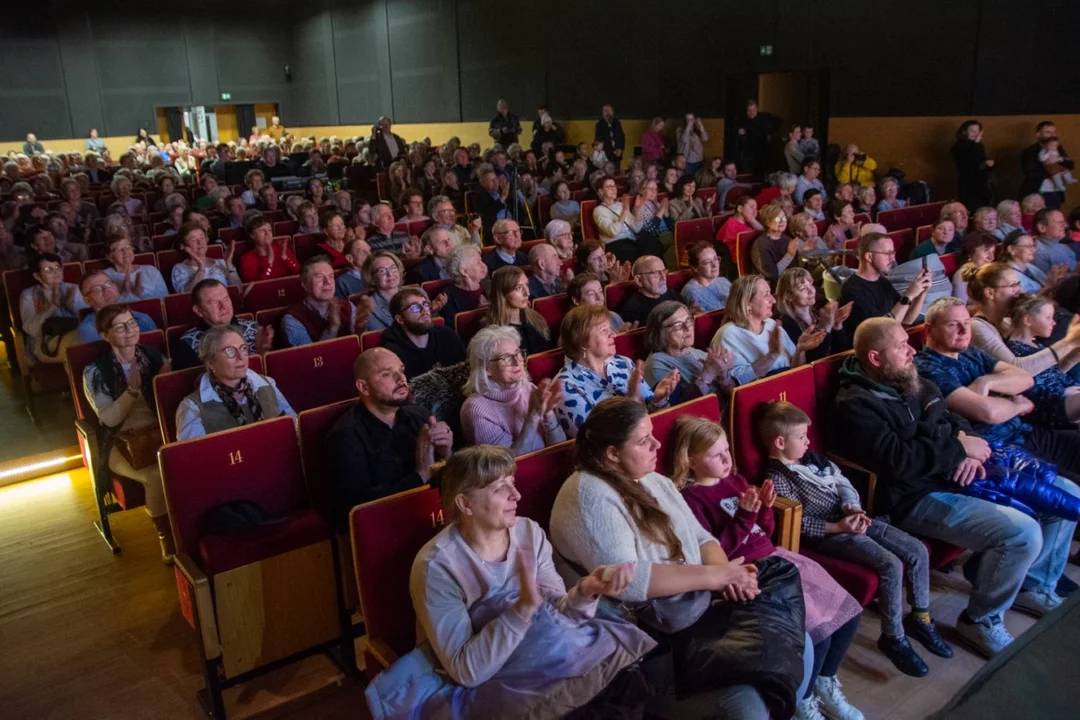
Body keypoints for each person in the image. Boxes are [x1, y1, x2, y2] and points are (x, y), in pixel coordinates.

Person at [835, 317, 1077, 656]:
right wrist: (957, 451)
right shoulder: (855, 404)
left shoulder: (908, 375)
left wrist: (966, 442)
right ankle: (980, 620)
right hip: (914, 496)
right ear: (875, 358)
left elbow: (953, 418)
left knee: (1068, 494)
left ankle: (1034, 584)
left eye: (909, 342)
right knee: (1022, 533)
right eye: (901, 346)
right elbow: (898, 461)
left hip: (959, 472)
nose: (911, 350)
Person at [550, 397, 799, 720]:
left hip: (691, 612)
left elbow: (700, 537)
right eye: (643, 441)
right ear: (612, 454)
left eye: (652, 434)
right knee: (747, 707)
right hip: (643, 643)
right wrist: (717, 578)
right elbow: (630, 580)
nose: (657, 444)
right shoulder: (588, 494)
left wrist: (727, 574)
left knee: (793, 644)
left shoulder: (654, 481)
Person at [399, 445, 654, 718]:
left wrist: (585, 591)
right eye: (500, 489)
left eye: (513, 483)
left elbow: (560, 612)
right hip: (498, 680)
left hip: (547, 655)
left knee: (625, 683)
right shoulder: (437, 567)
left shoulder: (527, 531)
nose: (517, 495)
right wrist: (521, 610)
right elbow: (466, 670)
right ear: (465, 504)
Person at [673, 416, 868, 718]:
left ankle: (825, 682)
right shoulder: (691, 499)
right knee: (819, 633)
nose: (727, 459)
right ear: (692, 460)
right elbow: (718, 554)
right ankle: (803, 698)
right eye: (716, 455)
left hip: (778, 557)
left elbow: (764, 530)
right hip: (751, 570)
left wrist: (764, 508)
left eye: (727, 450)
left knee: (848, 613)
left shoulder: (735, 482)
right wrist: (744, 517)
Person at [757, 404, 952, 678]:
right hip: (828, 534)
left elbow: (841, 480)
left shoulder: (810, 458)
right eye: (801, 437)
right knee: (891, 564)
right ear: (780, 442)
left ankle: (920, 617)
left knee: (917, 550)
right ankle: (893, 636)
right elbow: (794, 523)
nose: (808, 441)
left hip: (850, 517)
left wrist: (852, 506)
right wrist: (837, 526)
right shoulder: (777, 478)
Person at [915, 296, 1080, 483]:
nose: (963, 331)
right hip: (999, 449)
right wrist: (1016, 405)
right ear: (929, 330)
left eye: (966, 323)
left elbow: (1025, 378)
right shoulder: (928, 368)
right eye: (953, 325)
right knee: (1073, 490)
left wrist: (986, 382)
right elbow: (987, 412)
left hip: (1024, 432)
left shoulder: (970, 352)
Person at [82, 304, 172, 561]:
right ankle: (166, 536)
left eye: (131, 323)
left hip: (160, 431)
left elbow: (171, 400)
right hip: (121, 441)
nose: (129, 330)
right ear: (104, 335)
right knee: (156, 475)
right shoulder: (96, 371)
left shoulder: (153, 356)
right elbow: (109, 419)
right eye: (119, 327)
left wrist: (163, 382)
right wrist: (132, 391)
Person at [325, 348, 451, 527]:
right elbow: (357, 508)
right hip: (387, 526)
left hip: (435, 515)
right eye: (387, 374)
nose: (401, 379)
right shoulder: (346, 436)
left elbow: (451, 481)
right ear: (364, 387)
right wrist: (421, 475)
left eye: (401, 370)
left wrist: (447, 453)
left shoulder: (420, 415)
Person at [553, 305, 679, 437]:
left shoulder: (622, 363)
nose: (613, 334)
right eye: (604, 330)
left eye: (610, 328)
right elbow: (596, 443)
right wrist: (632, 400)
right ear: (582, 342)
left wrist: (659, 400)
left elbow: (653, 417)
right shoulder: (565, 388)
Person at [458, 326, 568, 455]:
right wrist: (533, 414)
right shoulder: (476, 409)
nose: (517, 361)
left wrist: (548, 413)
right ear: (486, 368)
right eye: (506, 358)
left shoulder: (528, 388)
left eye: (517, 353)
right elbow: (510, 466)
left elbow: (559, 449)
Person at [175, 325, 295, 440]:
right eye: (230, 351)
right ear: (211, 362)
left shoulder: (267, 383)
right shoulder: (192, 408)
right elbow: (195, 458)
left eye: (243, 348)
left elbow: (294, 428)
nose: (241, 356)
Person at [962, 262, 1080, 376]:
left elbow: (1045, 375)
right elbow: (1017, 369)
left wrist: (1075, 351)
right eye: (1013, 285)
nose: (1020, 291)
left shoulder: (1008, 323)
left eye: (1019, 284)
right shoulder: (977, 327)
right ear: (990, 293)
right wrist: (1068, 343)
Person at [709, 275, 825, 385]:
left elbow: (795, 369)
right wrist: (771, 355)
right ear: (747, 304)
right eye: (766, 295)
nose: (773, 300)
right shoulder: (728, 335)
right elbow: (738, 384)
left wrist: (800, 350)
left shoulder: (771, 324)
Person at [173, 279, 272, 371]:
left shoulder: (254, 328)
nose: (224, 306)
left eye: (226, 299)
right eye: (214, 302)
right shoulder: (187, 344)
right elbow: (201, 383)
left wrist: (264, 355)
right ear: (198, 311)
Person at [841, 232, 932, 331]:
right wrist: (908, 296)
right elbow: (883, 330)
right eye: (887, 253)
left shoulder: (884, 282)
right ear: (869, 257)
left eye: (893, 253)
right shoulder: (852, 289)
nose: (893, 258)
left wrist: (922, 291)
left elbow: (907, 320)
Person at [643, 301, 736, 398]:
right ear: (660, 333)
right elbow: (683, 406)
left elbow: (731, 393)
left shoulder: (694, 351)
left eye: (688, 321)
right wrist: (708, 373)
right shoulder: (656, 364)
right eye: (678, 325)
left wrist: (723, 374)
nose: (687, 328)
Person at [380, 288, 466, 379]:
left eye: (425, 305)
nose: (424, 310)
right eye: (415, 308)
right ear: (400, 319)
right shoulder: (393, 355)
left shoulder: (448, 336)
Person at [282, 256, 367, 346]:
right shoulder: (293, 319)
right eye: (319, 277)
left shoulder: (348, 306)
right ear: (305, 284)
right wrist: (332, 328)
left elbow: (361, 347)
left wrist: (361, 328)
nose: (327, 282)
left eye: (331, 276)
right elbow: (309, 357)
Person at [20, 252, 86, 365]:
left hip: (74, 332)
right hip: (45, 341)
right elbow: (32, 330)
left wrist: (71, 306)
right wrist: (53, 307)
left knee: (87, 336)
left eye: (57, 267)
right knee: (83, 340)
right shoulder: (29, 295)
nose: (56, 272)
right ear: (37, 276)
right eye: (48, 269)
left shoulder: (73, 288)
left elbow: (87, 319)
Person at [776, 267, 852, 362]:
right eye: (803, 289)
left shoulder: (819, 311)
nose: (811, 291)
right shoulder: (787, 325)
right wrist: (826, 328)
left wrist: (837, 326)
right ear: (789, 296)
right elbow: (811, 362)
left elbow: (841, 350)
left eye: (811, 284)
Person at [484, 266, 554, 356]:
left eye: (527, 285)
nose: (527, 293)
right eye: (518, 288)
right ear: (502, 294)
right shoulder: (492, 332)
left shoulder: (537, 319)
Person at [77, 271, 156, 343]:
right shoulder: (89, 329)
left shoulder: (143, 318)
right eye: (97, 289)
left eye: (108, 284)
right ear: (87, 300)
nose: (106, 290)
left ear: (116, 287)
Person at [171, 223, 241, 293]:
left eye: (202, 238)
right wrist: (201, 268)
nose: (200, 243)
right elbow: (186, 295)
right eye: (193, 240)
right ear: (183, 245)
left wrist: (228, 263)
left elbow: (239, 291)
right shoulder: (180, 269)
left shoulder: (221, 262)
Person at [620, 255, 681, 326]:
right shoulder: (632, 310)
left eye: (664, 271)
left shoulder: (672, 294)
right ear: (639, 280)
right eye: (656, 273)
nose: (663, 277)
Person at [102, 235, 167, 301]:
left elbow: (163, 302)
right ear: (109, 257)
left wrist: (139, 294)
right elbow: (99, 307)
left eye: (128, 246)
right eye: (119, 249)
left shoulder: (151, 271)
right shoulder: (103, 277)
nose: (125, 252)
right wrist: (123, 294)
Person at [1020, 120, 1072, 200]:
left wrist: (1060, 160)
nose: (1052, 135)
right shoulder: (1030, 151)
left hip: (1055, 192)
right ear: (1038, 134)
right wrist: (1052, 168)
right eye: (1048, 132)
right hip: (1038, 193)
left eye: (1054, 132)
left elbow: (1070, 165)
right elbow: (1030, 173)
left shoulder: (1058, 149)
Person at [238, 216, 299, 282]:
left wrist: (285, 258)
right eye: (262, 230)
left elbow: (299, 273)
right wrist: (269, 263)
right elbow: (256, 287)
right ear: (252, 235)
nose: (267, 233)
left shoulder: (282, 250)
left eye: (269, 230)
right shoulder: (247, 259)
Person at [592, 175, 638, 262]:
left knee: (652, 242)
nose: (613, 189)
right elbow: (613, 232)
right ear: (601, 191)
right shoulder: (598, 210)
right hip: (614, 243)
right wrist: (624, 211)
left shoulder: (620, 204)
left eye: (614, 186)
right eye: (609, 186)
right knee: (635, 251)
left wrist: (638, 209)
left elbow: (636, 228)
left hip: (630, 239)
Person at [750, 205, 799, 285]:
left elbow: (795, 266)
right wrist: (789, 255)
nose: (782, 221)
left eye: (783, 218)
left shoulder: (786, 239)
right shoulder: (761, 244)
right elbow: (772, 274)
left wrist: (804, 252)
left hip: (793, 280)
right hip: (776, 286)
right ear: (767, 222)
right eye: (777, 219)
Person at [952, 120, 995, 211]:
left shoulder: (979, 146)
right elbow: (966, 163)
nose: (975, 134)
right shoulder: (959, 145)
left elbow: (980, 162)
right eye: (972, 131)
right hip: (968, 184)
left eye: (977, 131)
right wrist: (975, 144)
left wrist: (988, 165)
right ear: (965, 131)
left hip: (982, 183)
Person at [681, 242, 731, 312]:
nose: (714, 265)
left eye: (715, 259)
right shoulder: (691, 292)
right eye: (707, 262)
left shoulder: (723, 281)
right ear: (695, 267)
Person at [951, 232, 999, 303]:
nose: (991, 257)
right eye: (986, 251)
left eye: (993, 252)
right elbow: (961, 308)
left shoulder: (990, 271)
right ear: (970, 253)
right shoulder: (961, 276)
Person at [734, 100, 779, 175]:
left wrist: (771, 132)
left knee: (762, 173)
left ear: (757, 109)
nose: (751, 113)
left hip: (762, 151)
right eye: (749, 110)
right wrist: (739, 132)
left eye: (753, 110)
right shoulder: (742, 119)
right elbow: (735, 133)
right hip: (748, 152)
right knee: (747, 172)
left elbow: (779, 121)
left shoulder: (764, 116)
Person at [1032, 208, 1076, 272]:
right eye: (1059, 222)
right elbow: (1046, 281)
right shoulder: (1039, 253)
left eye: (1064, 222)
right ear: (1042, 228)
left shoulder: (1060, 243)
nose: (1065, 225)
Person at [594, 105, 625, 170]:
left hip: (617, 155)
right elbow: (598, 140)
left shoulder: (617, 123)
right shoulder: (599, 125)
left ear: (613, 112)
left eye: (609, 110)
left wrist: (620, 148)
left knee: (616, 173)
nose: (608, 113)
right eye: (605, 111)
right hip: (605, 156)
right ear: (602, 113)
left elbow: (621, 136)